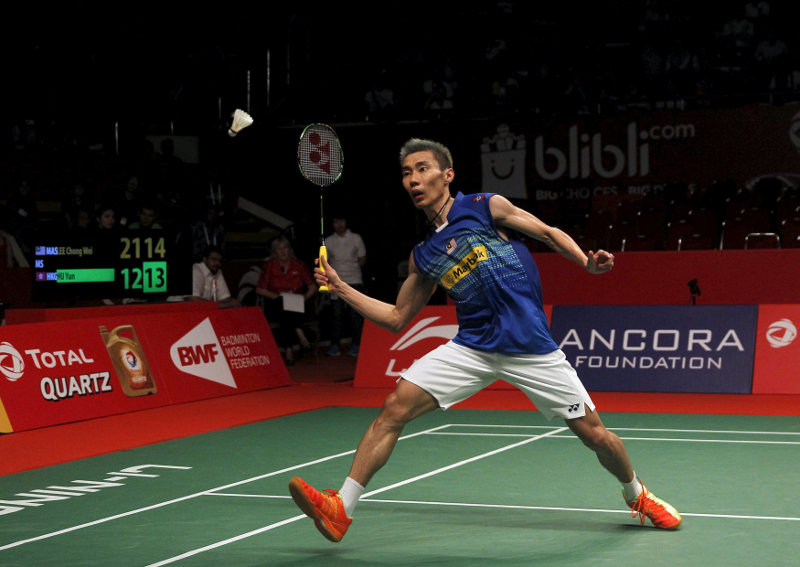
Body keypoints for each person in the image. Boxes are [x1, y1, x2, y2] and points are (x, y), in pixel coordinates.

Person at [289, 138, 682, 543]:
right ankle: (341, 508)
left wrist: (586, 263)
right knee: (393, 408)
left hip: (531, 346)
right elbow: (396, 318)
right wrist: (339, 287)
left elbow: (546, 232)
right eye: (407, 173)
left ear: (448, 174)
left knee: (594, 435)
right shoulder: (423, 254)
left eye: (423, 169)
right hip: (473, 347)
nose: (413, 179)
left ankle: (637, 494)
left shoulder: (483, 206)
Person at [256, 236, 317, 365]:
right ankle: (302, 337)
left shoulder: (299, 265)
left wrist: (304, 298)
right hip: (275, 302)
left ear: (290, 250)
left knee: (288, 310)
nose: (283, 251)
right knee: (284, 305)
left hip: (298, 304)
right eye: (279, 249)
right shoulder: (270, 265)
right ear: (274, 252)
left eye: (285, 248)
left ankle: (288, 351)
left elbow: (312, 287)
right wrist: (280, 296)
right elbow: (260, 290)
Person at [325, 215, 367, 357]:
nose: (339, 224)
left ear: (346, 222)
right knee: (336, 315)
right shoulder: (329, 241)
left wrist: (351, 270)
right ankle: (335, 345)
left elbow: (362, 258)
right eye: (336, 221)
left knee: (355, 315)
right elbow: (327, 261)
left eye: (341, 220)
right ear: (333, 224)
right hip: (336, 283)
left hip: (354, 281)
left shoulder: (356, 238)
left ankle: (356, 344)